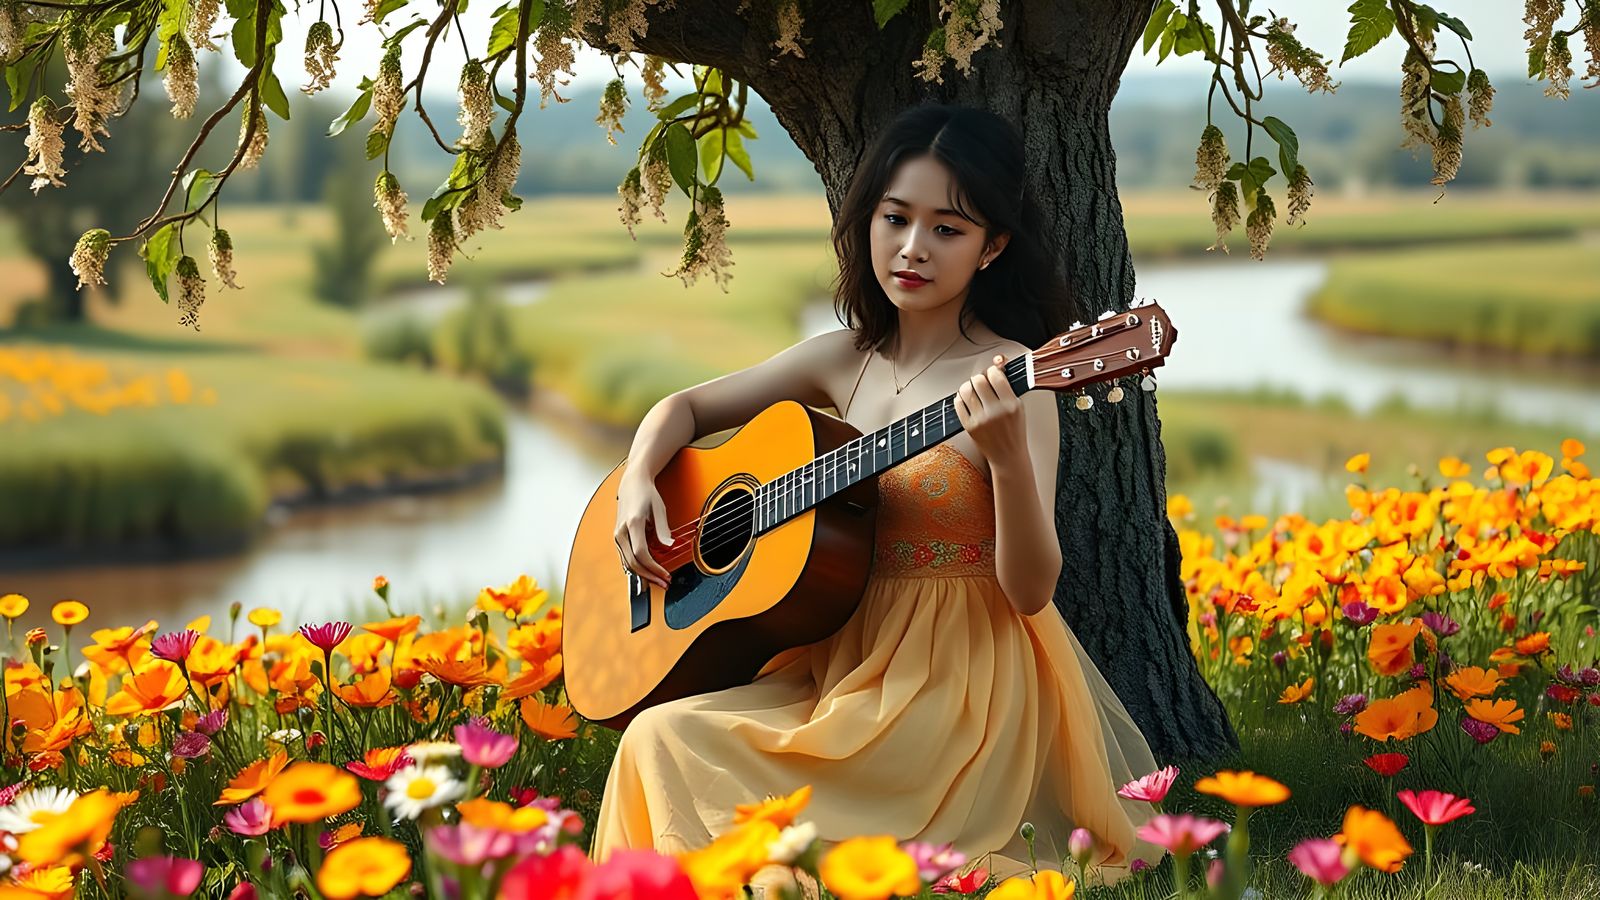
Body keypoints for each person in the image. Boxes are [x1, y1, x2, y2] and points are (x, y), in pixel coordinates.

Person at [594, 102, 1165, 891]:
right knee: (657, 735)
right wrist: (635, 487)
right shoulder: (843, 359)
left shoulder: (1015, 377)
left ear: (992, 247)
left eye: (948, 229)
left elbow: (1033, 591)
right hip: (839, 660)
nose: (912, 248)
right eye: (896, 218)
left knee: (738, 815)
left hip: (954, 689)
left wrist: (1005, 463)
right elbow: (680, 410)